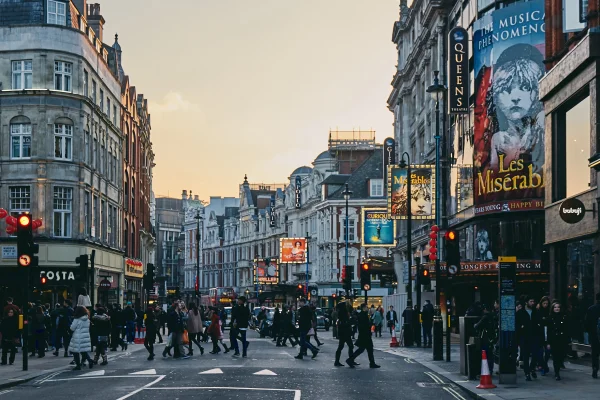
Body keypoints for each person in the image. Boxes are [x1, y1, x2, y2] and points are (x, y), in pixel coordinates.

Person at [516, 296, 542, 381]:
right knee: (526, 355)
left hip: (534, 336)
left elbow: (539, 323)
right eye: (531, 301)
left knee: (535, 354)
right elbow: (517, 325)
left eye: (533, 301)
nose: (533, 303)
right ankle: (527, 372)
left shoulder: (536, 312)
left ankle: (532, 368)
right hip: (524, 336)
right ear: (526, 302)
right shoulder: (521, 312)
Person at [346, 303, 380, 369]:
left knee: (364, 349)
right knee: (366, 349)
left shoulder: (362, 314)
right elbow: (365, 325)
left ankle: (351, 360)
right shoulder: (363, 315)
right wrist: (371, 323)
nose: (368, 308)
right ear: (364, 308)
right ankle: (350, 360)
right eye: (367, 307)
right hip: (365, 335)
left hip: (364, 335)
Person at [475, 304, 498, 375]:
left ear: (485, 309)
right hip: (492, 338)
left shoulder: (485, 317)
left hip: (485, 339)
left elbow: (477, 326)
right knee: (490, 355)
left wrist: (475, 325)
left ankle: (485, 371)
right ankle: (490, 370)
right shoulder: (493, 316)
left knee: (485, 355)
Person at [547, 302, 568, 380]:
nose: (557, 308)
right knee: (555, 356)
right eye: (555, 307)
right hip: (554, 340)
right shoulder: (550, 318)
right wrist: (548, 342)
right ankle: (557, 373)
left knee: (561, 356)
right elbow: (548, 331)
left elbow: (567, 329)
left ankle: (558, 368)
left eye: (558, 307)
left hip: (562, 339)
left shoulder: (564, 317)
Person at [69, 306, 93, 370]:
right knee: (83, 351)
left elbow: (72, 328)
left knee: (75, 352)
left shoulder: (77, 319)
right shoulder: (87, 319)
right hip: (85, 336)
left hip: (77, 336)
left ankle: (78, 365)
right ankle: (90, 360)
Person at [584, 292, 600, 378]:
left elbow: (586, 324)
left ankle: (595, 368)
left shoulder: (591, 309)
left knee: (595, 353)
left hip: (594, 335)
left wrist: (590, 333)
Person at [334, 301, 354, 367]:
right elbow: (346, 322)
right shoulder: (344, 313)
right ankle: (351, 360)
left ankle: (337, 361)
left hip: (342, 332)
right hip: (345, 332)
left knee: (341, 347)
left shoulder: (340, 313)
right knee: (350, 346)